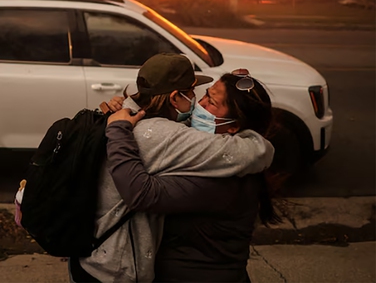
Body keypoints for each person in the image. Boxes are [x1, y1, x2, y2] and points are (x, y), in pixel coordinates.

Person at [70, 54, 276, 283]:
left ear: (234, 126)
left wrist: (121, 120)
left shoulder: (225, 176)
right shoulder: (187, 145)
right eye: (201, 94)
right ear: (175, 98)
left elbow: (143, 193)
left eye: (212, 102)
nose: (201, 104)